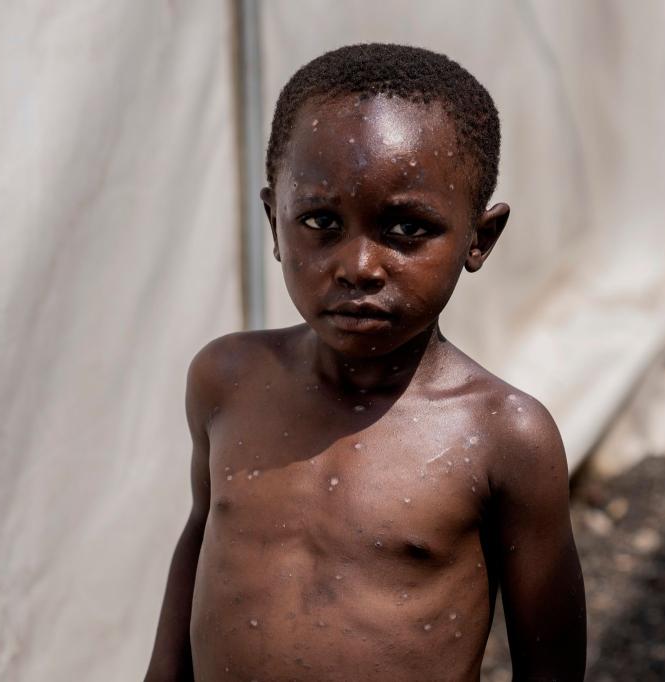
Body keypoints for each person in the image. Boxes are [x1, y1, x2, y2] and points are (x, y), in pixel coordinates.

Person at [145, 43, 586, 681]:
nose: (358, 267)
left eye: (407, 230)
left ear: (478, 238)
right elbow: (202, 534)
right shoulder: (228, 380)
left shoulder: (501, 437)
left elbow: (550, 664)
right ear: (275, 221)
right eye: (321, 221)